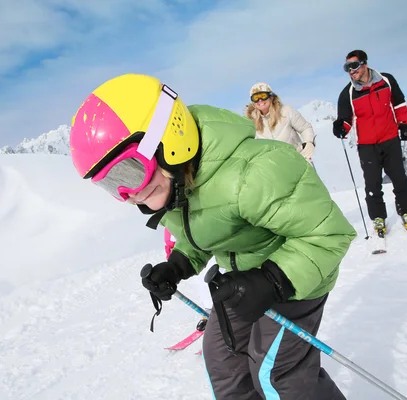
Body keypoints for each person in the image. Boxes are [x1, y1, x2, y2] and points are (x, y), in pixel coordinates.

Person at [69, 73, 357, 399]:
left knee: (276, 373)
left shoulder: (253, 172)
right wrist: (177, 266)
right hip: (240, 283)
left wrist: (272, 280)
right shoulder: (177, 183)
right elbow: (204, 231)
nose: (127, 194)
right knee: (224, 362)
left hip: (296, 283)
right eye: (110, 185)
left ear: (168, 139)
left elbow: (328, 234)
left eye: (128, 172)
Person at [333, 49, 407, 236]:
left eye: (354, 65)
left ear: (365, 63)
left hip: (390, 139)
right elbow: (346, 119)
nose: (351, 70)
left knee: (399, 178)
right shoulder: (347, 93)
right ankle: (378, 217)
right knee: (372, 184)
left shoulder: (386, 81)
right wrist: (341, 127)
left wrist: (404, 124)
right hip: (367, 145)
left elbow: (399, 103)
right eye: (347, 67)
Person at [245, 82, 316, 163]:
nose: (259, 100)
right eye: (255, 97)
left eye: (263, 96)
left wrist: (309, 142)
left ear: (271, 97)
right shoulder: (251, 122)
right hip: (274, 168)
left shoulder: (286, 111)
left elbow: (305, 128)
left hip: (297, 160)